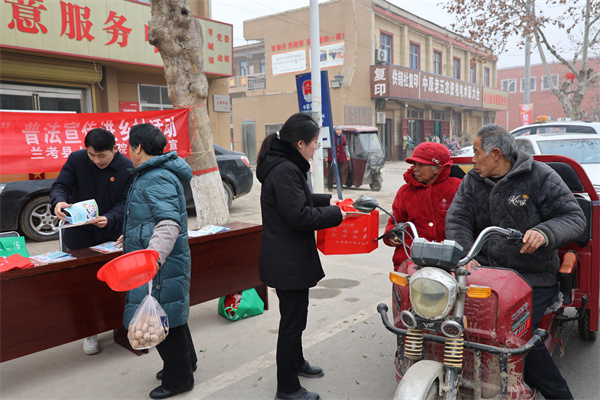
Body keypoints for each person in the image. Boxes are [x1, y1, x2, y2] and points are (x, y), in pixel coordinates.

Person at [445, 124, 585, 400]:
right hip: (484, 271)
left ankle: (560, 396)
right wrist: (465, 256)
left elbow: (573, 217)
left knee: (518, 334)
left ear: (496, 154)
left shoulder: (541, 176)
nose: (472, 159)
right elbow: (457, 218)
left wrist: (544, 233)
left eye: (476, 152)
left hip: (532, 276)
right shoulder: (473, 180)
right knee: (448, 318)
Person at [256, 113, 346, 400]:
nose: (316, 147)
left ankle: (296, 362)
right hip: (287, 260)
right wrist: (336, 214)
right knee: (292, 325)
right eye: (314, 142)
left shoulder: (286, 165)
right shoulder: (284, 170)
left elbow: (298, 198)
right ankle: (287, 388)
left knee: (296, 319)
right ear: (300, 143)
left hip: (288, 257)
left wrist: (328, 200)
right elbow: (298, 215)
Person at [118, 123, 196, 400]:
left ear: (138, 147)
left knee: (163, 320)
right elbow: (151, 217)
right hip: (164, 258)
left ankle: (179, 380)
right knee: (173, 314)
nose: (128, 151)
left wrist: (154, 258)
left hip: (160, 263)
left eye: (129, 146)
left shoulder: (155, 177)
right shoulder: (155, 173)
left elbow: (168, 223)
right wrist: (130, 234)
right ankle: (187, 363)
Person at [50, 127, 133, 355]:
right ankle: (90, 331)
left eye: (102, 155)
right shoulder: (77, 160)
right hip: (80, 236)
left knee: (115, 283)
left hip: (111, 235)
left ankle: (120, 326)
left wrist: (109, 218)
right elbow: (60, 186)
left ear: (115, 149)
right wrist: (58, 201)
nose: (97, 160)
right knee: (84, 286)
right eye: (92, 155)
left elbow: (126, 202)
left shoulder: (126, 167)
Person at [384, 142, 461, 271]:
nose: (415, 169)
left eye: (421, 165)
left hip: (450, 259)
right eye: (414, 164)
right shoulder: (405, 192)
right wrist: (391, 236)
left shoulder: (458, 188)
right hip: (411, 259)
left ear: (437, 168)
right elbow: (395, 221)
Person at [323, 126, 349, 191]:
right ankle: (330, 187)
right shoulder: (331, 137)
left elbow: (345, 147)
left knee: (340, 172)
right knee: (331, 172)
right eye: (337, 130)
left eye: (339, 130)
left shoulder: (342, 137)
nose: (338, 132)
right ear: (335, 131)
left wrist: (348, 155)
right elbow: (326, 147)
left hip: (341, 157)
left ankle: (340, 186)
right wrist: (325, 156)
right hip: (332, 157)